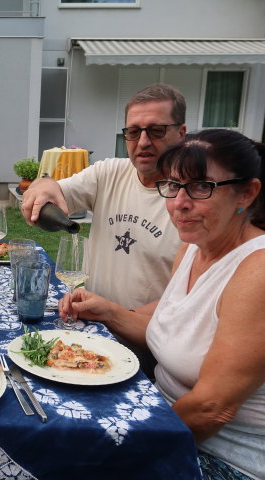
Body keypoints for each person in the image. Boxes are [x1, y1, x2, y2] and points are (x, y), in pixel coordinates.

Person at [58, 129, 265, 479]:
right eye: (172, 185)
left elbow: (211, 408)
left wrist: (123, 444)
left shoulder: (256, 272)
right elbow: (170, 332)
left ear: (247, 192)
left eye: (201, 187)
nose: (179, 203)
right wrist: (107, 310)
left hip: (217, 454)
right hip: (160, 415)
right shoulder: (193, 247)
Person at [21, 83, 186, 310]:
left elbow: (186, 301)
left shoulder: (191, 201)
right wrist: (42, 186)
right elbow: (51, 189)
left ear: (182, 133)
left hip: (146, 336)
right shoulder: (108, 173)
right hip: (93, 327)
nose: (143, 142)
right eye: (134, 132)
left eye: (157, 130)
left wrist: (118, 317)